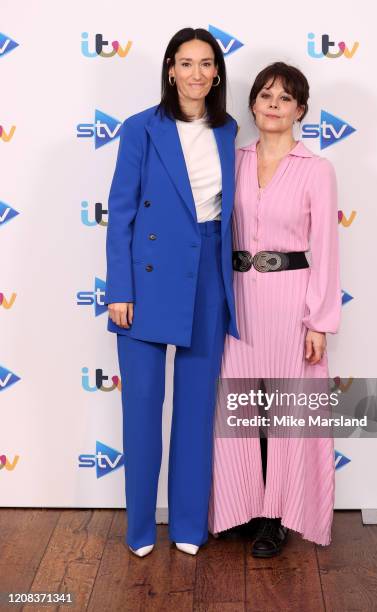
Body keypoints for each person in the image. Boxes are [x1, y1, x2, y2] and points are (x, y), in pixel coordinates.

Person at [104, 27, 239, 557]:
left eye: (207, 64)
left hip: (207, 272)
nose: (197, 74)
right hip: (146, 278)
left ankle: (187, 524)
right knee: (140, 406)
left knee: (196, 408)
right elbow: (121, 213)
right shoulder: (141, 128)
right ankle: (140, 529)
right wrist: (120, 288)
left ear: (217, 73)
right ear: (170, 70)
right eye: (187, 63)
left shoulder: (228, 131)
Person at [208, 62, 341, 557]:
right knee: (237, 407)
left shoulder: (317, 170)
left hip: (291, 299)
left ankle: (275, 517)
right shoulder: (233, 159)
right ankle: (238, 508)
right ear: (252, 104)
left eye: (285, 99)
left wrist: (319, 321)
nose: (272, 105)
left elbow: (325, 247)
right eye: (265, 95)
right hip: (236, 298)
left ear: (300, 110)